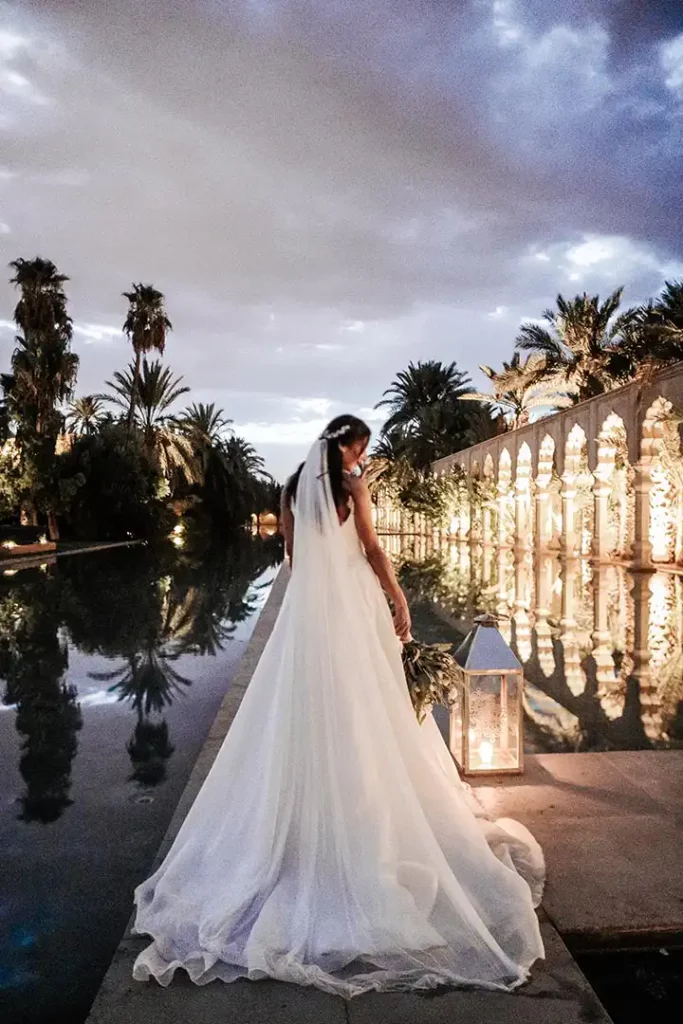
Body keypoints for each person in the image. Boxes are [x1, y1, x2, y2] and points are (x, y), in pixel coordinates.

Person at [131, 414, 545, 998]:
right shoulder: (352, 487)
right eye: (361, 450)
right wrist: (397, 596)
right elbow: (373, 549)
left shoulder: (292, 489)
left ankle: (303, 832)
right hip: (353, 611)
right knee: (365, 719)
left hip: (310, 618)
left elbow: (296, 560)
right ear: (349, 447)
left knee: (304, 718)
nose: (361, 459)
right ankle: (363, 831)